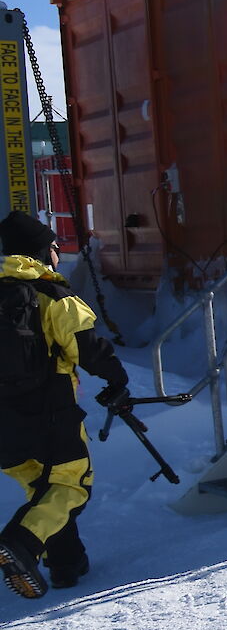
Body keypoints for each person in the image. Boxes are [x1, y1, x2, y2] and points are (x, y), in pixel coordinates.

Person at [0, 211, 128, 598]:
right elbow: (89, 349)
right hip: (50, 413)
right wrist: (117, 379)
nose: (58, 252)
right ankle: (20, 544)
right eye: (54, 246)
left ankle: (66, 564)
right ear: (42, 250)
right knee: (72, 486)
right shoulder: (52, 295)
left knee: (45, 489)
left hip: (5, 424)